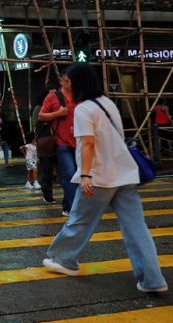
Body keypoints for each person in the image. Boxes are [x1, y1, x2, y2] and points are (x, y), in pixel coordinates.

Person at [43, 63, 168, 294]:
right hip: (125, 174)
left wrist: (85, 175)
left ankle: (63, 260)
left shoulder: (82, 110)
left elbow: (88, 144)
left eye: (67, 81)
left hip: (99, 177)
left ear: (78, 83)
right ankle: (152, 279)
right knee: (136, 229)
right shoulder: (108, 103)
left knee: (79, 221)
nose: (64, 84)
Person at [38, 73, 77, 217]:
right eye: (67, 79)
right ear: (62, 80)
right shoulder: (53, 97)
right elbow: (41, 116)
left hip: (79, 142)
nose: (70, 82)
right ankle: (74, 208)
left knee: (75, 176)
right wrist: (58, 113)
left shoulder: (80, 96)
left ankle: (67, 206)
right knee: (69, 173)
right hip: (61, 142)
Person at [32, 89, 57, 205]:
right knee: (47, 171)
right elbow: (37, 122)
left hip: (55, 141)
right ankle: (47, 195)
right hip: (45, 142)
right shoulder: (39, 108)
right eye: (50, 94)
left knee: (53, 171)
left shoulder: (54, 108)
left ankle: (49, 194)